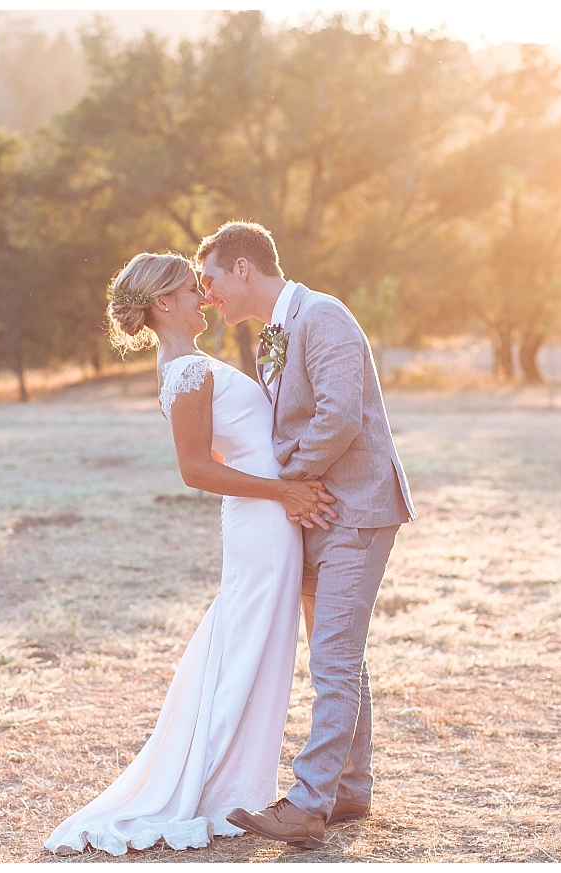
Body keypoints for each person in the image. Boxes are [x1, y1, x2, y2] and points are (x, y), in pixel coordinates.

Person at [44, 252, 337, 856]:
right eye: (191, 289)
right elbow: (196, 470)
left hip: (268, 514)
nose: (205, 296)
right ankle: (211, 784)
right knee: (249, 641)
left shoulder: (192, 364)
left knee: (253, 640)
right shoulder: (186, 371)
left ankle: (233, 777)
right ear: (163, 303)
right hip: (262, 518)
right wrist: (284, 490)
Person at [197, 221, 415, 850]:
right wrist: (288, 494)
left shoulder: (325, 318)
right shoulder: (273, 334)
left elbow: (339, 417)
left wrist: (286, 481)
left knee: (335, 658)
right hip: (318, 511)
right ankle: (349, 788)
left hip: (357, 508)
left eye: (210, 279)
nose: (207, 294)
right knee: (339, 650)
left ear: (244, 269)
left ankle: (309, 802)